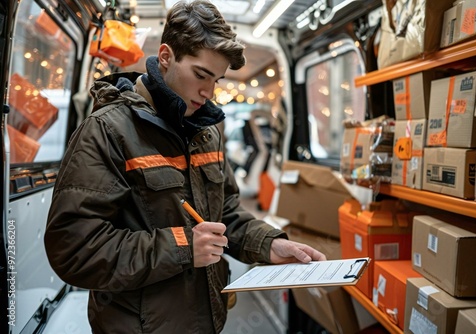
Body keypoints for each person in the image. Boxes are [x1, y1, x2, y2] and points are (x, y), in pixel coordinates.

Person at [44, 1, 326, 333]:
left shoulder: (207, 133)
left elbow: (226, 214)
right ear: (166, 56)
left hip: (207, 320)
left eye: (217, 80)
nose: (209, 92)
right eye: (201, 75)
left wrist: (268, 244)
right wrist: (182, 247)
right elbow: (74, 248)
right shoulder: (108, 130)